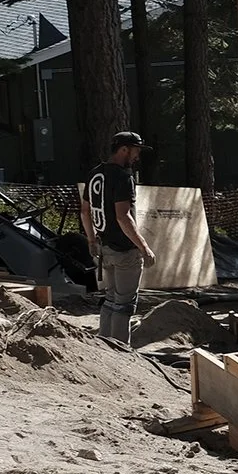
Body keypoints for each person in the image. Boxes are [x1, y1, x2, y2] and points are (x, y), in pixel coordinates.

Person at [81, 132, 155, 344]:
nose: (137, 157)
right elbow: (123, 216)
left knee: (110, 299)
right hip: (124, 251)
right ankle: (121, 351)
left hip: (104, 249)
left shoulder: (95, 173)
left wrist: (92, 240)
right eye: (135, 151)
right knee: (124, 304)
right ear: (124, 149)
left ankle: (103, 345)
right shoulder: (123, 177)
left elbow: (85, 211)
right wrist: (144, 247)